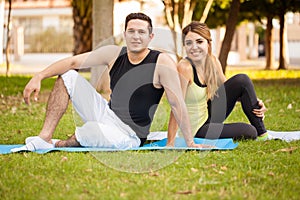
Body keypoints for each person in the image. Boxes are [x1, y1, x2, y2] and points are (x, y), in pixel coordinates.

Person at [11, 13, 207, 152]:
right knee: (69, 75)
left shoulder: (161, 62)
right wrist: (39, 76)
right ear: (125, 34)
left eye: (141, 32)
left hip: (129, 135)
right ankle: (45, 137)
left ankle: (60, 144)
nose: (136, 36)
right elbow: (73, 62)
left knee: (90, 131)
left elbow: (177, 103)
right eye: (131, 31)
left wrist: (189, 141)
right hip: (107, 113)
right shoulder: (114, 54)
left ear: (150, 36)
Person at [167, 21, 269, 146]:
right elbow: (177, 105)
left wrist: (254, 102)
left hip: (208, 115)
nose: (194, 47)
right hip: (196, 130)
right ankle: (257, 132)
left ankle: (263, 133)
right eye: (189, 43)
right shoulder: (185, 67)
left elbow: (231, 90)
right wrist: (170, 142)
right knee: (249, 131)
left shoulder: (212, 60)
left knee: (242, 80)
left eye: (199, 41)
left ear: (208, 43)